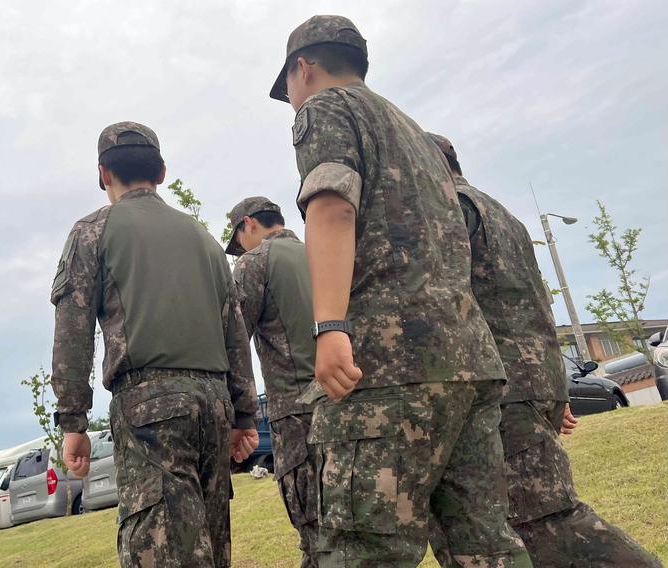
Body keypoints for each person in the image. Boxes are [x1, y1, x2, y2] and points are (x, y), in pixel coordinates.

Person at [271, 15, 531, 566]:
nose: (291, 100)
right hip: (468, 363)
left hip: (386, 369)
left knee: (361, 550)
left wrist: (330, 327)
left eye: (288, 87)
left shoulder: (326, 108)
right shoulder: (414, 131)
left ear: (303, 67)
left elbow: (333, 207)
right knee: (486, 549)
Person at [428, 133, 662, 568]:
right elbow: (536, 305)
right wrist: (555, 388)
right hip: (530, 381)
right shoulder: (503, 215)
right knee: (526, 518)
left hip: (500, 389)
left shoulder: (451, 210)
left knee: (543, 519)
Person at [50, 121, 260, 567]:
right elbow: (235, 334)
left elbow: (73, 329)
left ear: (104, 173)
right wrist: (244, 415)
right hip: (216, 404)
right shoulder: (204, 239)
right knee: (211, 540)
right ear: (161, 171)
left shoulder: (92, 232)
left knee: (161, 547)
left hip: (151, 405)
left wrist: (73, 419)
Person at [225, 196, 318, 567]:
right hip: (348, 403)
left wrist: (239, 416)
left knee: (315, 532)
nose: (238, 253)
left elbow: (233, 342)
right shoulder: (319, 251)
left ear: (249, 223)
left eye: (238, 242)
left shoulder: (254, 263)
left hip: (297, 414)